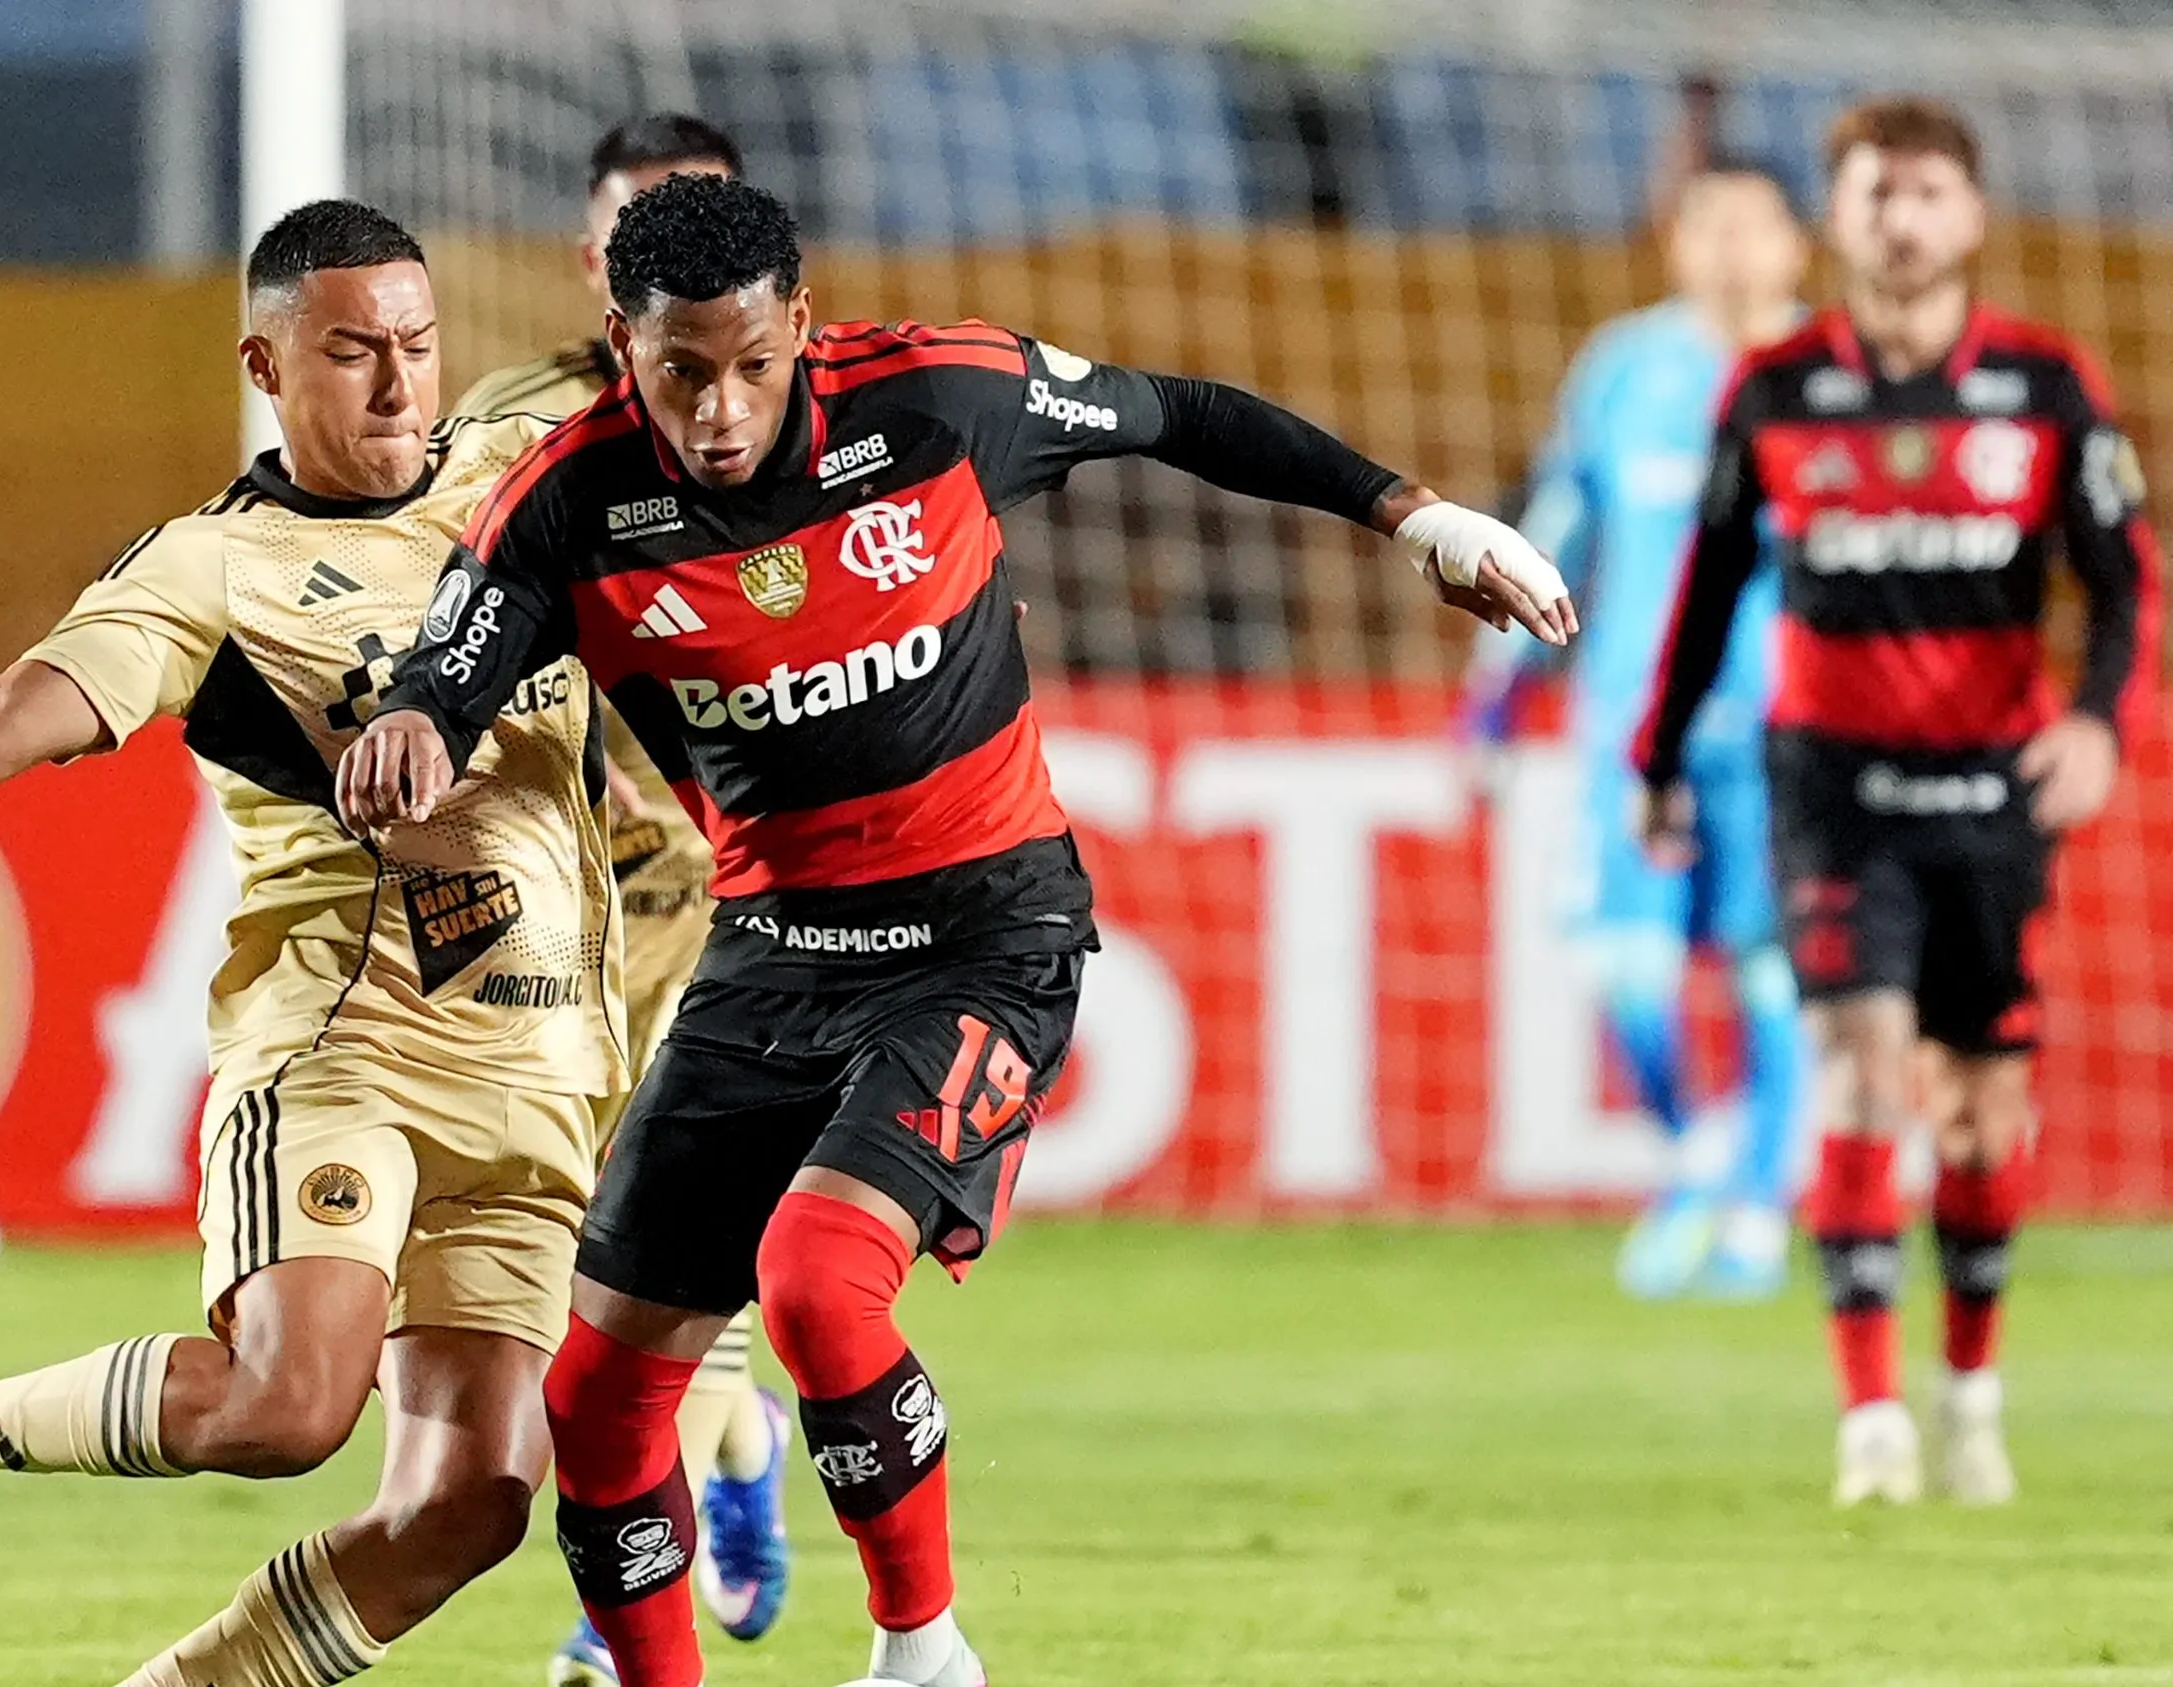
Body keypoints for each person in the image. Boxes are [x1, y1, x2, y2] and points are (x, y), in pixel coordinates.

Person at [339, 172, 1573, 1687]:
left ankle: (923, 1652)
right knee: (595, 1397)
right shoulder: (568, 502)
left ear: (801, 322)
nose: (720, 407)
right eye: (680, 371)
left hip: (986, 930)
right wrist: (409, 724)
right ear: (622, 341)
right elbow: (448, 665)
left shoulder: (941, 397)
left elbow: (1177, 410)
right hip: (772, 948)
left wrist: (1415, 514)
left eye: (749, 362)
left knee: (815, 1281)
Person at [0, 201, 627, 1687]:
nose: (402, 388)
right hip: (346, 1048)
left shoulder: (511, 477)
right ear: (268, 366)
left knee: (465, 1504)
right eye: (354, 356)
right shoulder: (213, 570)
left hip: (544, 1067)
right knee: (289, 1408)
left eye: (418, 347)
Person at [1638, 98, 2160, 1507]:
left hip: (1995, 792)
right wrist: (1660, 755)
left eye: (1929, 193)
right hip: (1834, 786)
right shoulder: (1777, 387)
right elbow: (1705, 591)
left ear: (1972, 217)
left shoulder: (2048, 388)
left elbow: (2123, 583)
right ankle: (1870, 1415)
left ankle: (1970, 1381)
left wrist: (2101, 725)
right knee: (1865, 1071)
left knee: (1987, 1113)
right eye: (1877, 192)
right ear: (1841, 214)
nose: (1902, 218)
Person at [453, 112, 791, 1685]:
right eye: (634, 230)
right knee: (599, 1264)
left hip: (755, 895)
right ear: (595, 265)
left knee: (646, 1265)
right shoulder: (518, 431)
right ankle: (736, 1454)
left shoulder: (817, 418)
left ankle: (613, 1608)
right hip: (567, 908)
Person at [1461, 159, 1814, 1300]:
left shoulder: (1827, 378)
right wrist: (1499, 693)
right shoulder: (1623, 370)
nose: (1726, 249)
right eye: (1704, 224)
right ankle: (1699, 1156)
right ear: (1675, 242)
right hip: (1633, 724)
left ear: (1795, 245)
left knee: (1773, 967)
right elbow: (1555, 531)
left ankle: (1759, 1211)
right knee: (1627, 971)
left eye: (1751, 226)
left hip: (1785, 728)